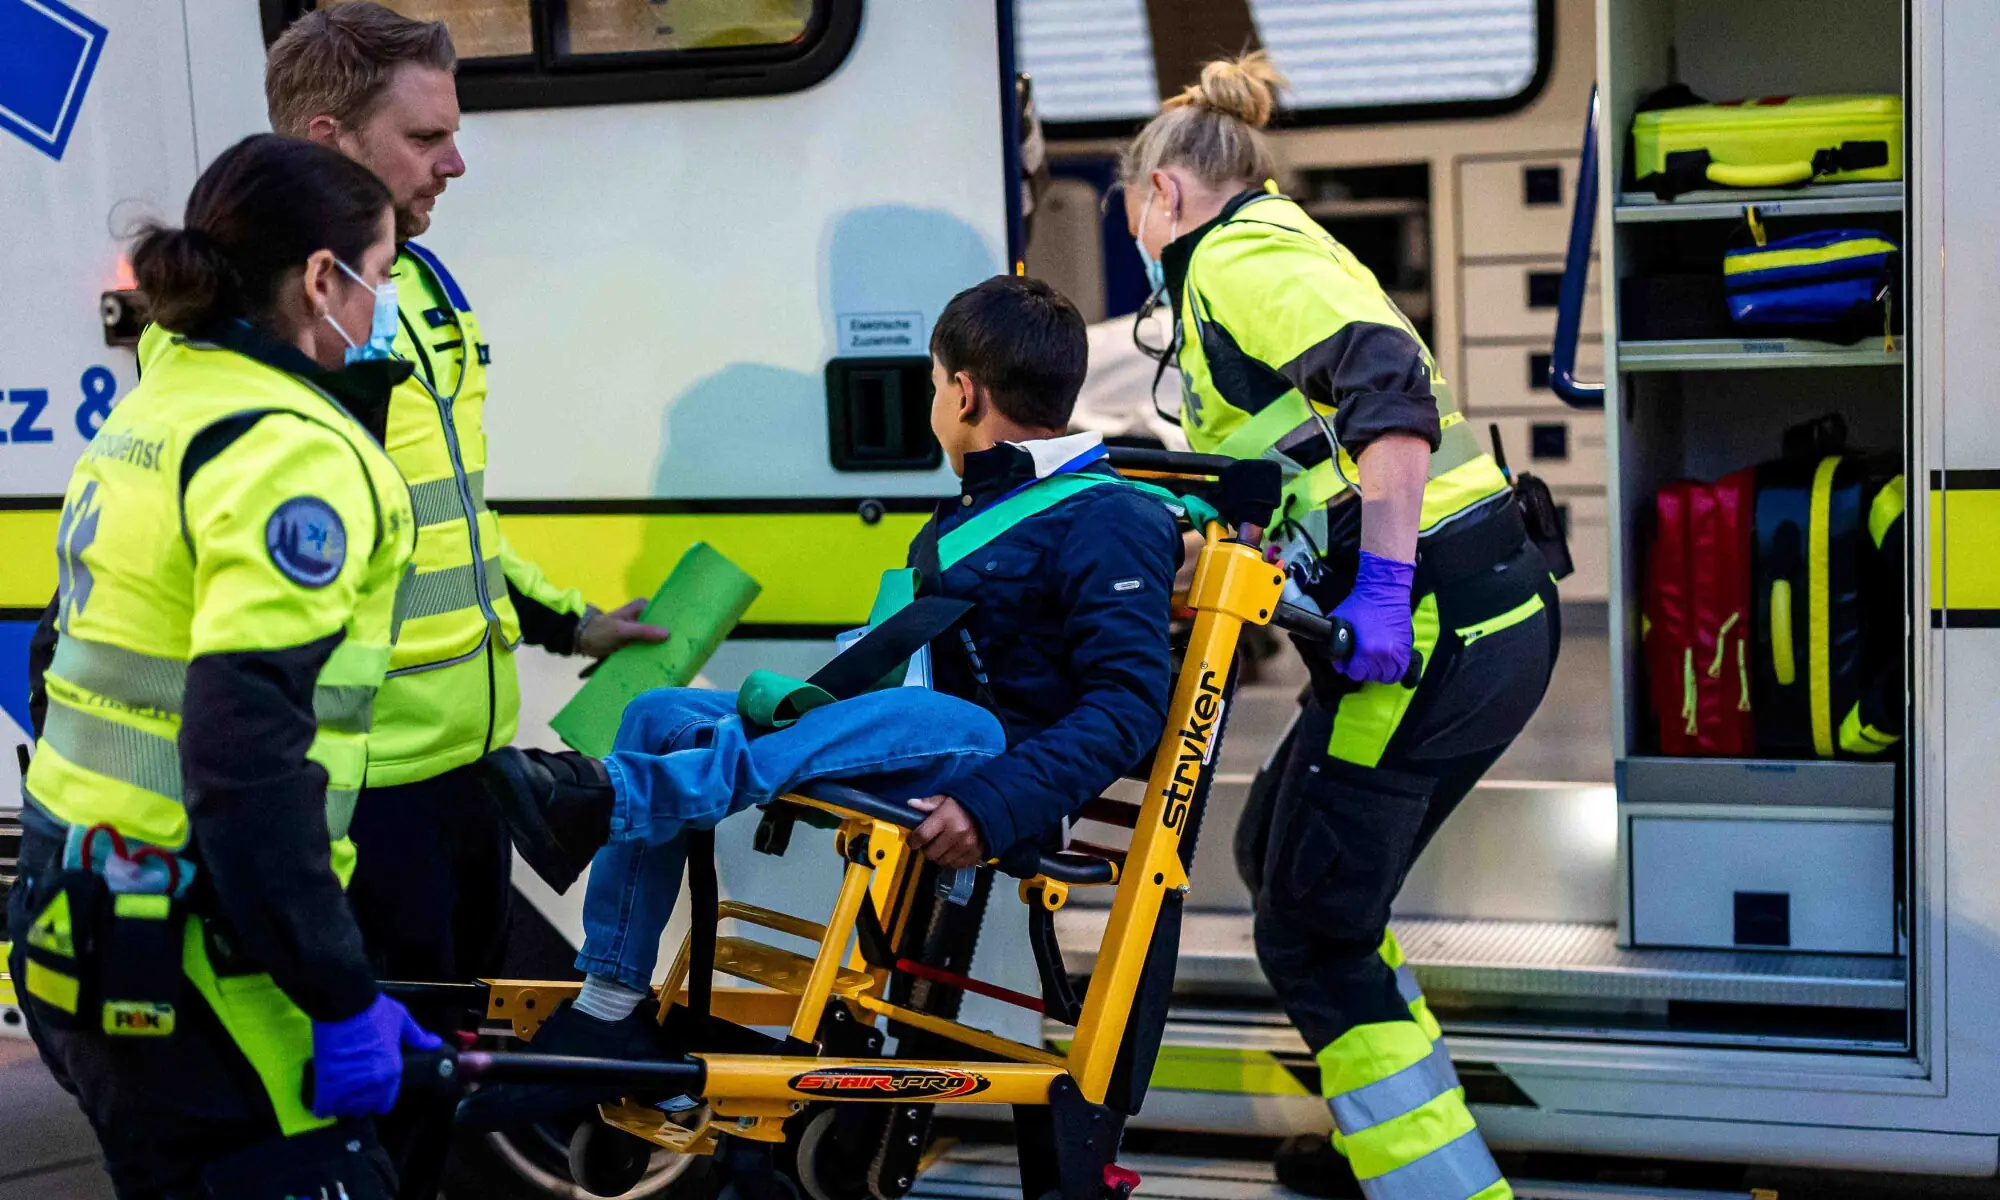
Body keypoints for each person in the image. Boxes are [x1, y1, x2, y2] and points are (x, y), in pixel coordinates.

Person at [459, 275, 1184, 1122]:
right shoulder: (964, 516)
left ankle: (619, 797)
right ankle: (608, 1011)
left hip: (992, 760)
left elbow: (1131, 706)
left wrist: (995, 805)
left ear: (962, 392)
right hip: (915, 735)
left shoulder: (1112, 516)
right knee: (658, 716)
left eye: (932, 387)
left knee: (948, 717)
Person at [1123, 54, 1559, 1200]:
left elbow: (1388, 399)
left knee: (1312, 924)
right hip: (1466, 617)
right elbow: (1292, 451)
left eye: (1130, 211)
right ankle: (1394, 1145)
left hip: (1425, 629)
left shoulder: (1236, 256)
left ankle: (1436, 1187)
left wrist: (1375, 586)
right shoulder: (1274, 244)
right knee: (1280, 860)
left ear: (1160, 193)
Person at [260, 7, 668, 1192]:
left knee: (433, 1101)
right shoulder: (278, 323)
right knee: (357, 1119)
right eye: (427, 133)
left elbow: (448, 514)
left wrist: (561, 619)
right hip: (357, 793)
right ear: (331, 139)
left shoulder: (422, 285)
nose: (457, 160)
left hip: (461, 771)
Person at [7, 134, 435, 1198]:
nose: (380, 304)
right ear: (321, 279)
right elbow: (242, 764)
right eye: (378, 276)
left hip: (79, 909)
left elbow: (58, 662)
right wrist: (338, 995)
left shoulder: (159, 403)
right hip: (200, 949)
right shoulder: (294, 450)